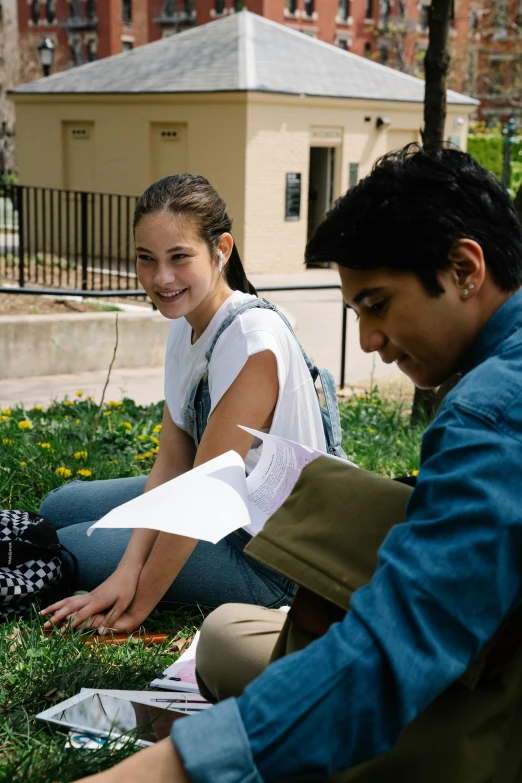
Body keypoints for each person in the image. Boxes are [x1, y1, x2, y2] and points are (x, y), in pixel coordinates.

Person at [73, 144, 522, 783]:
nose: (367, 341)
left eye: (378, 304)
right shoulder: (489, 389)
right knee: (213, 628)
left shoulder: (490, 413)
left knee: (213, 632)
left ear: (464, 268)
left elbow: (393, 653)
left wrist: (173, 767)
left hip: (472, 693)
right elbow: (174, 458)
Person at [39, 173, 335, 634]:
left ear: (221, 251)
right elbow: (174, 461)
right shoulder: (185, 323)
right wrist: (129, 563)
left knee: (69, 548)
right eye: (146, 259)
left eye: (180, 258)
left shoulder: (252, 341)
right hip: (218, 508)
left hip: (271, 560)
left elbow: (200, 493)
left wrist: (135, 605)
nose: (162, 278)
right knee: (57, 507)